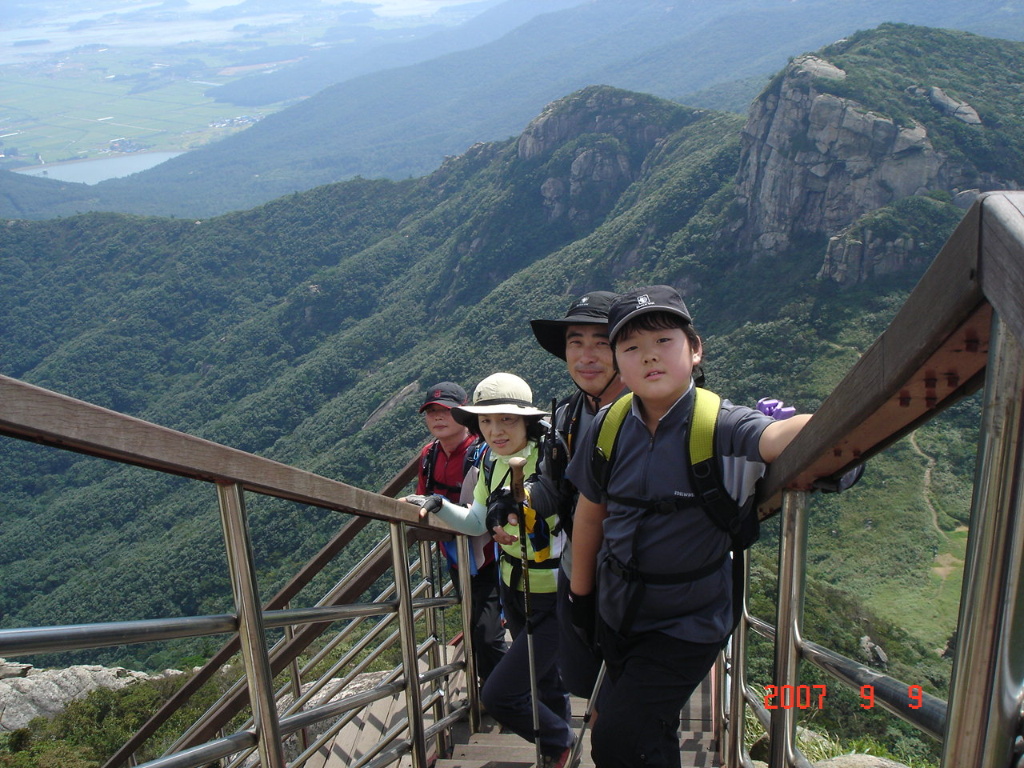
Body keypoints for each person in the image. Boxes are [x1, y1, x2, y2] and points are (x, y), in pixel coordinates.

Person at [566, 286, 812, 768]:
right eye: (632, 348)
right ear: (619, 361)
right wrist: (581, 599)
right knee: (646, 730)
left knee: (616, 737)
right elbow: (590, 513)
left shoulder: (720, 426)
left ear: (695, 349)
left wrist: (817, 428)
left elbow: (778, 435)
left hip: (686, 623)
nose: (649, 357)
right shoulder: (608, 426)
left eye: (663, 341)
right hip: (616, 614)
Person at [426, 373, 574, 768]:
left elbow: (547, 500)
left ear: (527, 421)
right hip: (514, 585)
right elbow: (476, 522)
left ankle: (560, 741)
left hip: (555, 591)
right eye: (486, 421)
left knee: (500, 694)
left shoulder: (550, 458)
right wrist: (439, 506)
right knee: (544, 679)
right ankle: (554, 750)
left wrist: (514, 503)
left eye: (506, 420)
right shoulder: (489, 460)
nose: (495, 430)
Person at [529, 291, 627, 701]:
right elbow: (553, 488)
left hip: (633, 584)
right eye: (576, 342)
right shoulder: (569, 414)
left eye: (601, 342)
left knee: (631, 713)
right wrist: (520, 501)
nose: (586, 356)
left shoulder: (655, 414)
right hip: (575, 574)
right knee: (586, 687)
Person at [401, 381, 506, 685]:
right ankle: (492, 688)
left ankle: (505, 693)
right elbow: (422, 499)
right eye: (431, 411)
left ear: (463, 414)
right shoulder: (429, 455)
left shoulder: (483, 453)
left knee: (486, 632)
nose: (438, 417)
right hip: (457, 557)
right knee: (474, 625)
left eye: (446, 410)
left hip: (491, 556)